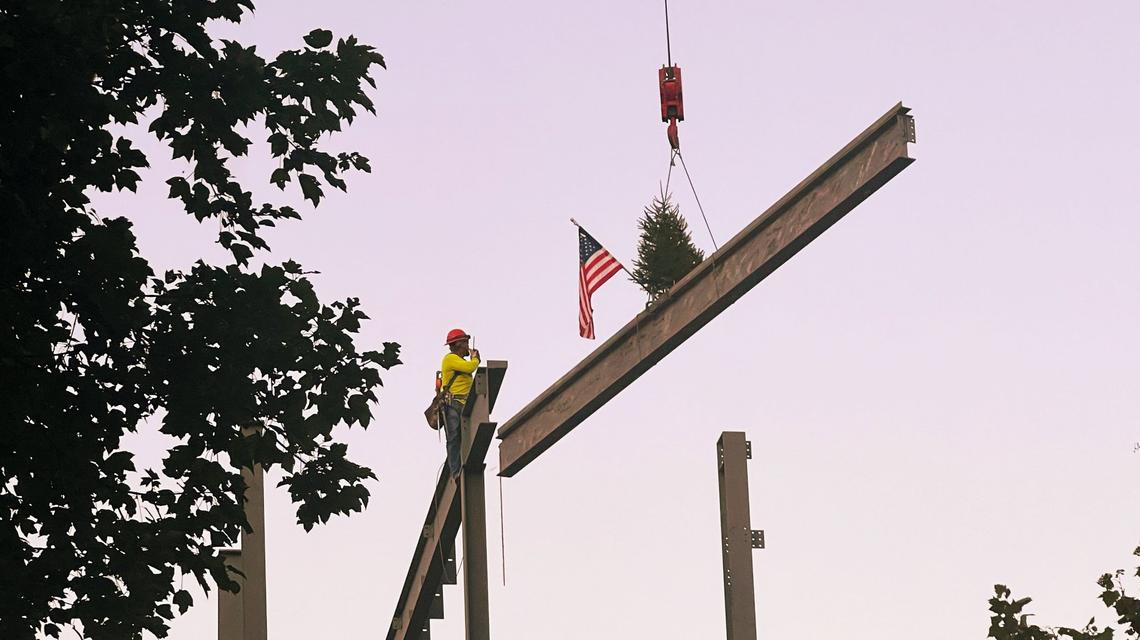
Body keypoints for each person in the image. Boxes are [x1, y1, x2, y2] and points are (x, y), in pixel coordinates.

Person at [441, 328, 480, 477]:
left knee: (464, 436)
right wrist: (475, 359)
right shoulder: (450, 359)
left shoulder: (458, 360)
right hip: (453, 404)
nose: (467, 346)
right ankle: (456, 472)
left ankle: (462, 467)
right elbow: (470, 367)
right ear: (457, 344)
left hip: (464, 403)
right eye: (465, 343)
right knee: (454, 438)